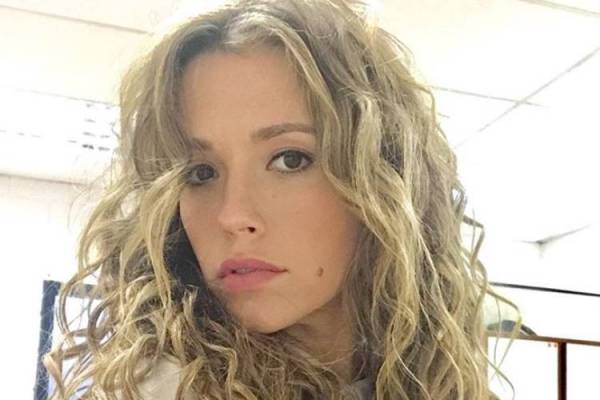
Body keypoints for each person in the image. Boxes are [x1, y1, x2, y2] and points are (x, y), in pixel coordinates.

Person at [45, 0, 513, 398]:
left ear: (386, 178)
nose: (233, 215)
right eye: (201, 173)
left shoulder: (433, 379)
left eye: (290, 160)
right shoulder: (162, 388)